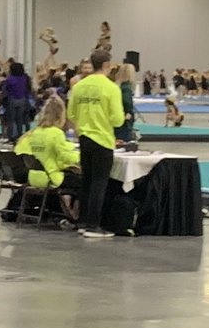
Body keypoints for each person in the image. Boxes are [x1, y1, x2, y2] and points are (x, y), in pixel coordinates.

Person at [67, 54, 128, 239]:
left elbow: (71, 113)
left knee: (86, 180)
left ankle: (83, 222)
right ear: (106, 65)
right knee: (99, 183)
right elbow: (117, 120)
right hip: (102, 139)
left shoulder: (79, 86)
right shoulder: (111, 88)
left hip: (84, 138)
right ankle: (94, 225)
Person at [13, 100, 81, 222]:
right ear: (61, 115)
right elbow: (65, 157)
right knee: (84, 181)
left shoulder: (35, 133)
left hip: (33, 177)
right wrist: (81, 157)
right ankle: (79, 217)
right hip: (51, 177)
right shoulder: (56, 133)